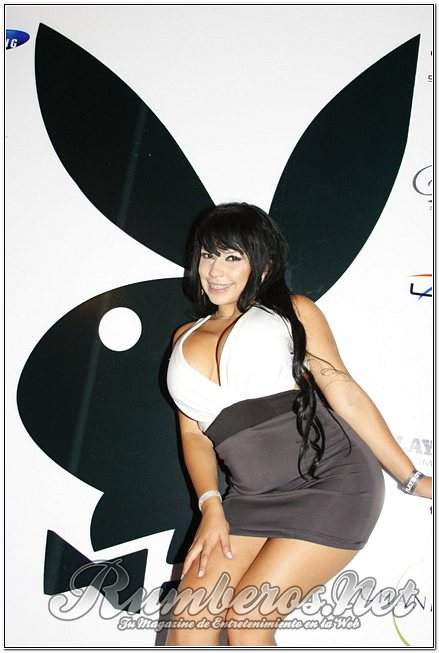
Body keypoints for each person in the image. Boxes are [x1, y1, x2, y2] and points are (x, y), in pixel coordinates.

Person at [165, 202, 432, 647]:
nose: (215, 270)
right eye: (208, 255)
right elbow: (193, 435)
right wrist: (211, 506)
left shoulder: (291, 312)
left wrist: (412, 478)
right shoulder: (183, 337)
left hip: (330, 482)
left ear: (263, 264)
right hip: (249, 497)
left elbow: (343, 392)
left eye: (232, 257)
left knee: (247, 624)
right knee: (189, 627)